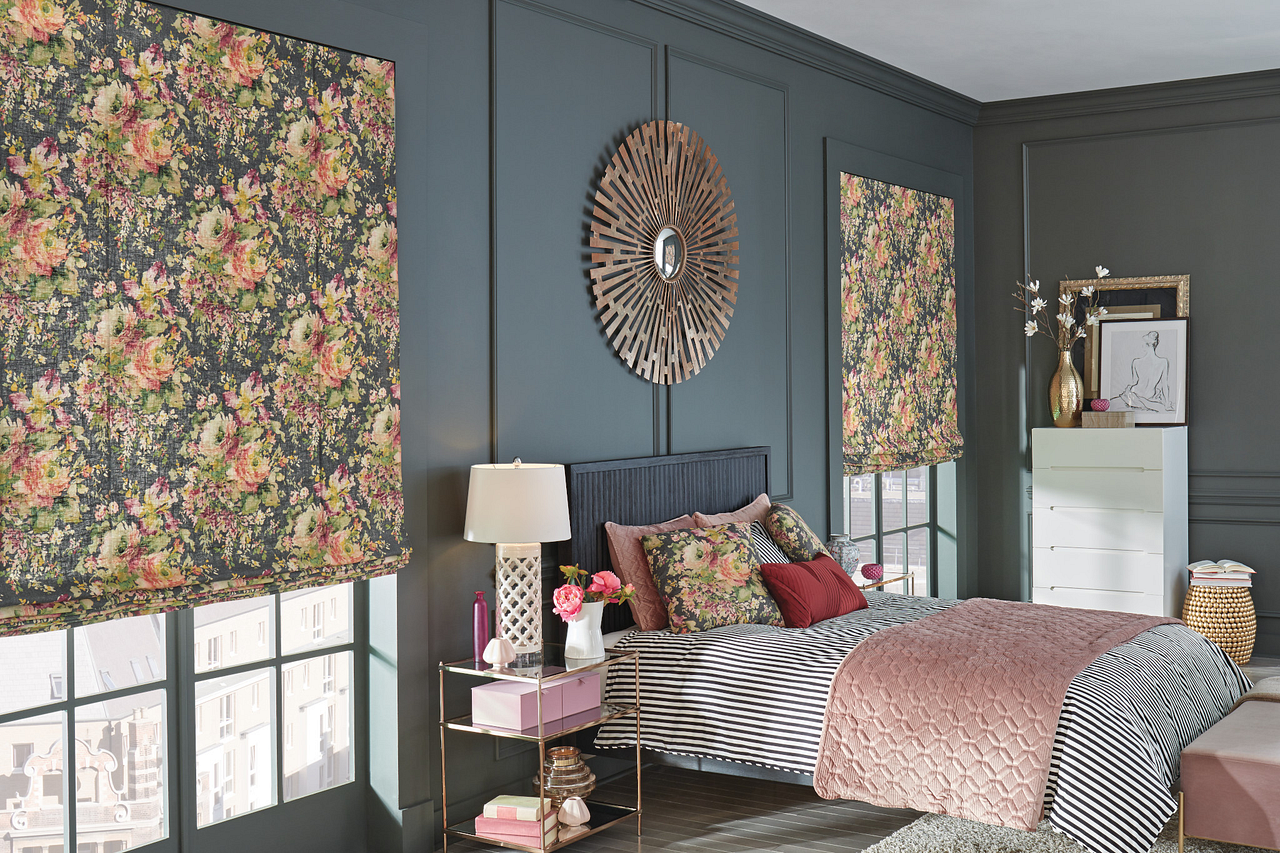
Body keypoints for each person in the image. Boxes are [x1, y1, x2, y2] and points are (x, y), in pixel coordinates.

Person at [1113, 330, 1174, 412]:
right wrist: (1167, 403)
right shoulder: (1163, 362)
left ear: (1146, 345)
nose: (1141, 346)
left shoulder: (1136, 362)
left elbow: (1134, 381)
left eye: (1142, 344)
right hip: (1149, 395)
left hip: (1135, 394)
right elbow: (1164, 385)